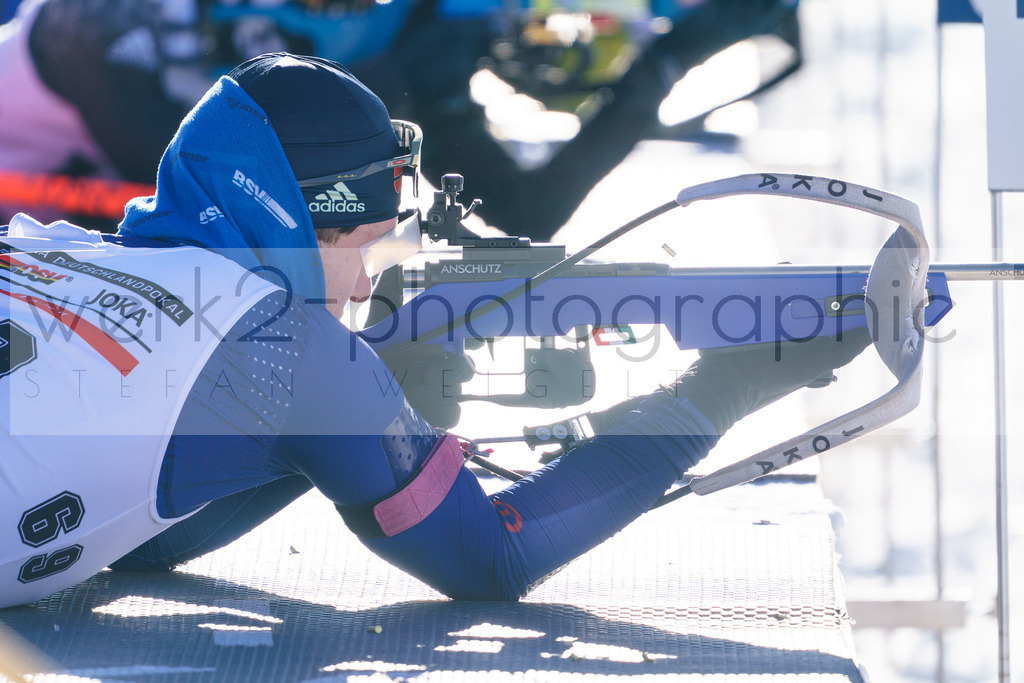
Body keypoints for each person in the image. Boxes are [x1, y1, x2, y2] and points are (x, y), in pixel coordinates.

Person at [0, 53, 866, 608]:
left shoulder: (63, 249)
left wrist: (360, 405)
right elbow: (492, 560)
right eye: (364, 248)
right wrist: (727, 389)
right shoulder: (285, 350)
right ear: (300, 224)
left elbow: (150, 532)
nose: (369, 280)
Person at [0, 0, 800, 239]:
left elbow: (519, 215)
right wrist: (383, 85)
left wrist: (658, 71)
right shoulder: (99, 27)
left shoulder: (416, 45)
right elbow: (199, 182)